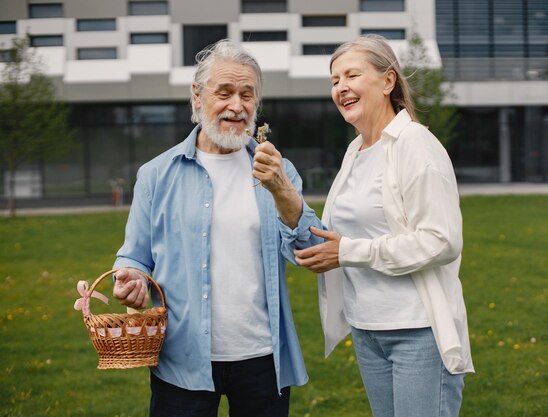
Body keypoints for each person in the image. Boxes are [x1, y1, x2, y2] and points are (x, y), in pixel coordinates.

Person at [111, 39, 320, 417]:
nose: (237, 106)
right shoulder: (156, 175)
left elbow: (309, 249)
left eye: (247, 95)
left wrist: (283, 191)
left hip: (263, 358)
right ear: (197, 96)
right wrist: (132, 280)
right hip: (181, 359)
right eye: (224, 93)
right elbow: (134, 256)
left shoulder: (278, 171)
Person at [293, 35, 474, 417]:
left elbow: (441, 240)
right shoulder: (355, 151)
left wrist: (348, 252)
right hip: (368, 328)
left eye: (351, 75)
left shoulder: (415, 145)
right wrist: (282, 193)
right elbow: (336, 234)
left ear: (388, 81)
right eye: (334, 80)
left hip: (417, 331)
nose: (341, 87)